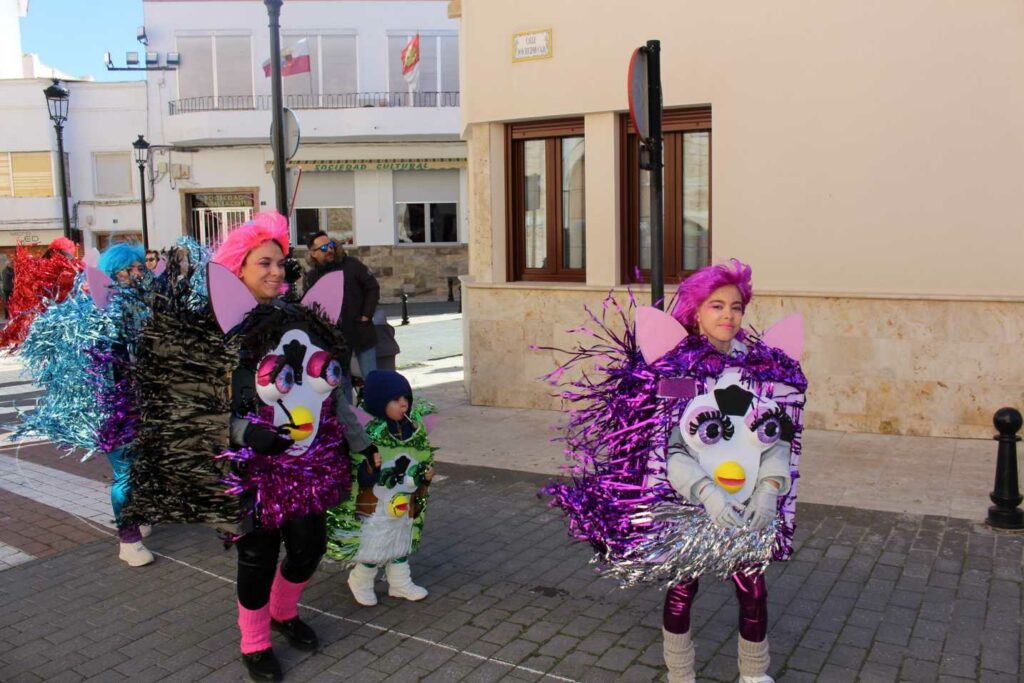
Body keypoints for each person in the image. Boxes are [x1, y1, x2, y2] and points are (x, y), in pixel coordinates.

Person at [546, 259, 807, 683]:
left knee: (753, 590)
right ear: (697, 311)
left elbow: (778, 437)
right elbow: (669, 448)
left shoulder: (763, 370)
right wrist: (706, 492)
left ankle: (755, 674)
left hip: (748, 507)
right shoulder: (677, 369)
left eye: (736, 307)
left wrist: (769, 491)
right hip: (690, 507)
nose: (728, 315)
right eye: (717, 305)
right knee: (683, 589)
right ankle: (681, 675)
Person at [211, 213, 379, 682]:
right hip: (249, 469)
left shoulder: (300, 318)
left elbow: (332, 390)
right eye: (263, 263)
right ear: (237, 269)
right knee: (258, 556)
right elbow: (192, 408)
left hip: (305, 464)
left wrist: (359, 442)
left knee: (309, 546)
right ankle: (255, 640)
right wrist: (245, 432)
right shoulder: (216, 330)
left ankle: (284, 612)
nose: (275, 272)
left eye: (281, 264)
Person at [326, 370, 435, 606]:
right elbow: (357, 472)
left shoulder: (412, 430)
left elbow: (421, 455)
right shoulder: (368, 434)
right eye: (396, 400)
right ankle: (361, 580)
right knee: (374, 543)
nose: (403, 404)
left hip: (403, 499)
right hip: (377, 502)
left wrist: (425, 475)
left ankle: (400, 583)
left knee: (400, 539)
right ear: (379, 402)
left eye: (406, 398)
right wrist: (370, 470)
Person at [96, 243, 154, 567]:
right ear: (114, 272)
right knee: (125, 472)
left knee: (143, 466)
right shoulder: (97, 315)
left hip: (139, 402)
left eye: (138, 269)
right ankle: (127, 540)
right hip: (111, 406)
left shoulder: (136, 309)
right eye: (130, 269)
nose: (137, 274)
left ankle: (140, 514)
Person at [302, 231, 380, 403]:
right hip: (336, 340)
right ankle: (348, 423)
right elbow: (309, 306)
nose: (329, 250)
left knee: (372, 379)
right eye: (323, 248)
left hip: (361, 332)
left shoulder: (352, 265)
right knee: (341, 382)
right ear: (313, 253)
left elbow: (372, 287)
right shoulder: (312, 277)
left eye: (330, 245)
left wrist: (366, 315)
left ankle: (379, 419)